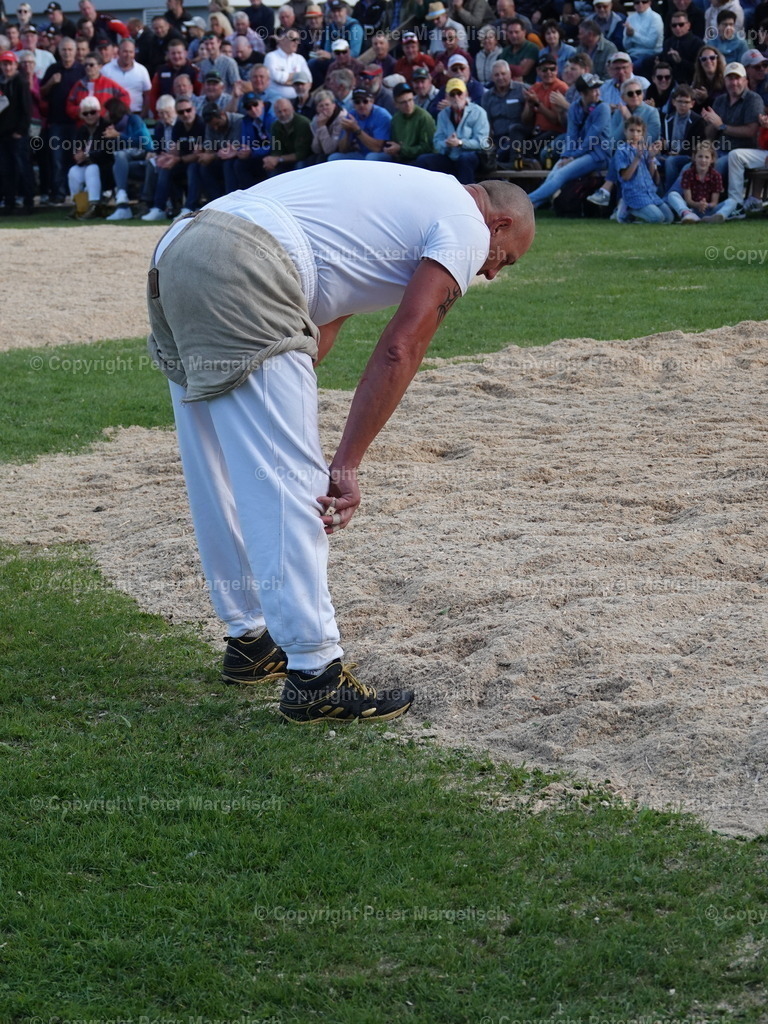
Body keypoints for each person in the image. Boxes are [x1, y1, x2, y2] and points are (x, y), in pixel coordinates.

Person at [145, 162, 534, 722]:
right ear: (496, 225)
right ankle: (315, 673)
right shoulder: (465, 224)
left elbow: (325, 317)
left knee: (216, 467)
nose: (493, 274)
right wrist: (345, 462)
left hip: (185, 246)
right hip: (249, 264)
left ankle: (250, 640)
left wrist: (282, 401)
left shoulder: (403, 201)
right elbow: (403, 347)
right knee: (292, 482)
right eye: (506, 258)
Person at [526, 72, 611, 208]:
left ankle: (525, 202)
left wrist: (572, 158)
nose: (597, 93)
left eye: (598, 89)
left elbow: (591, 139)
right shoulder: (575, 107)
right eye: (593, 90)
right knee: (554, 174)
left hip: (598, 155)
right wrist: (565, 156)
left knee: (560, 175)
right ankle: (533, 207)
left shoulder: (603, 108)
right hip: (577, 153)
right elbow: (571, 135)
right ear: (583, 93)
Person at [415, 75, 490, 182]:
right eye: (452, 94)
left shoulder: (479, 112)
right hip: (450, 155)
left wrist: (460, 143)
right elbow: (437, 141)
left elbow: (482, 143)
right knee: (423, 160)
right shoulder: (442, 115)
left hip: (473, 158)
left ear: (466, 94)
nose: (456, 97)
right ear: (446, 97)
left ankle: (466, 195)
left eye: (459, 93)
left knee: (464, 159)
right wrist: (446, 143)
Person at [40, 36, 83, 204]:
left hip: (76, 123)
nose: (67, 53)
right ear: (59, 51)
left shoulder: (81, 70)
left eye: (70, 50)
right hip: (56, 123)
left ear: (75, 51)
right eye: (64, 50)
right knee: (57, 160)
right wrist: (51, 82)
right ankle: (59, 194)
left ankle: (75, 195)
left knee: (75, 159)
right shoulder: (52, 69)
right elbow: (42, 92)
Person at [613, 114, 673, 220]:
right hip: (634, 194)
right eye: (631, 130)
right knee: (658, 218)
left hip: (650, 193)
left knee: (669, 218)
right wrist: (637, 158)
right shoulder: (621, 150)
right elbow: (625, 177)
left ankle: (632, 212)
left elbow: (655, 179)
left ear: (642, 134)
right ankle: (628, 208)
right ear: (625, 131)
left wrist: (651, 158)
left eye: (638, 131)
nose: (635, 134)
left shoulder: (646, 149)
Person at [66, 93, 111, 216]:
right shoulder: (82, 130)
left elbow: (107, 151)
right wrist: (77, 156)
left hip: (103, 167)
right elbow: (76, 149)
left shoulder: (106, 127)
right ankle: (79, 206)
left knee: (92, 169)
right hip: (86, 164)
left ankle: (94, 205)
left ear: (98, 112)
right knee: (73, 171)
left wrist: (88, 155)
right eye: (86, 113)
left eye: (92, 112)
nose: (89, 116)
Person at [666, 139, 730, 220]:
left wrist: (706, 205)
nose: (703, 160)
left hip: (709, 209)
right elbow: (688, 200)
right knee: (672, 195)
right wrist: (698, 205)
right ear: (694, 157)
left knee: (732, 201)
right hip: (692, 208)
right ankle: (687, 214)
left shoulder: (716, 176)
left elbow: (714, 202)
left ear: (712, 160)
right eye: (700, 156)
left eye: (707, 157)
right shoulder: (687, 174)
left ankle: (718, 216)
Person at [0, 49, 31, 216]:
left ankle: (28, 202)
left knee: (22, 168)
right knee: (5, 170)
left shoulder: (21, 82)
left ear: (15, 65)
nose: (7, 67)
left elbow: (27, 109)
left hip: (17, 134)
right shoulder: (1, 82)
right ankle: (9, 203)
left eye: (9, 64)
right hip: (3, 134)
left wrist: (21, 130)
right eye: (4, 64)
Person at [482, 58, 527, 163]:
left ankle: (505, 162)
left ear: (510, 74)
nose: (500, 77)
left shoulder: (523, 90)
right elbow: (487, 123)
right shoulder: (487, 97)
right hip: (498, 139)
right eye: (496, 75)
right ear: (492, 77)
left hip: (520, 138)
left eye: (503, 74)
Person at [328, 84, 391, 158]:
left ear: (372, 101)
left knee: (371, 157)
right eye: (357, 102)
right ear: (353, 103)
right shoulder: (351, 115)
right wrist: (348, 132)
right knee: (334, 157)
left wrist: (356, 129)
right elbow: (343, 150)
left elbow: (377, 148)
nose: (361, 105)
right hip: (362, 154)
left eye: (365, 101)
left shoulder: (381, 115)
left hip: (383, 154)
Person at [380, 80, 435, 162]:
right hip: (401, 157)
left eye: (410, 100)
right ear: (396, 104)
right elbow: (394, 141)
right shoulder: (396, 119)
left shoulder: (424, 117)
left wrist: (401, 149)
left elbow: (427, 148)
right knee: (376, 157)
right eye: (403, 102)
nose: (408, 105)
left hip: (420, 159)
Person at [102, 36, 151, 115]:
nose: (128, 55)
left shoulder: (142, 70)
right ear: (118, 52)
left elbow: (148, 95)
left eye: (131, 52)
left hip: (136, 113)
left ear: (134, 53)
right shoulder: (106, 70)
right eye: (125, 51)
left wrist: (143, 115)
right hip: (113, 115)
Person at [263, 95, 312, 172]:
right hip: (285, 160)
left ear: (292, 109)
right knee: (270, 168)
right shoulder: (275, 126)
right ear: (275, 113)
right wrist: (271, 160)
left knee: (300, 166)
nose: (283, 114)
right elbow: (276, 150)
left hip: (306, 159)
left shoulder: (303, 123)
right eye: (279, 112)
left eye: (285, 110)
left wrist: (278, 159)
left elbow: (301, 154)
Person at [659, 10, 703, 85]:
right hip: (670, 81)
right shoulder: (668, 43)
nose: (677, 28)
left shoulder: (698, 43)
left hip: (691, 81)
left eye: (681, 24)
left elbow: (699, 69)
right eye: (674, 25)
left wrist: (680, 61)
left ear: (688, 25)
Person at [622, 0, 664, 74]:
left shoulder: (655, 18)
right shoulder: (630, 18)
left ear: (650, 3)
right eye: (637, 2)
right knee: (617, 65)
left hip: (650, 55)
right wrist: (628, 37)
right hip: (632, 54)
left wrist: (633, 35)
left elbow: (651, 44)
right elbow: (626, 46)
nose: (640, 4)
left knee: (632, 67)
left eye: (644, 1)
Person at [310, 87, 346, 159]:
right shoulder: (315, 121)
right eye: (321, 106)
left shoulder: (341, 118)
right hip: (323, 153)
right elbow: (316, 149)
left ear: (334, 105)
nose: (324, 108)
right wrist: (319, 128)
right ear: (316, 109)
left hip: (340, 153)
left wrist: (322, 127)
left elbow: (330, 150)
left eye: (327, 105)